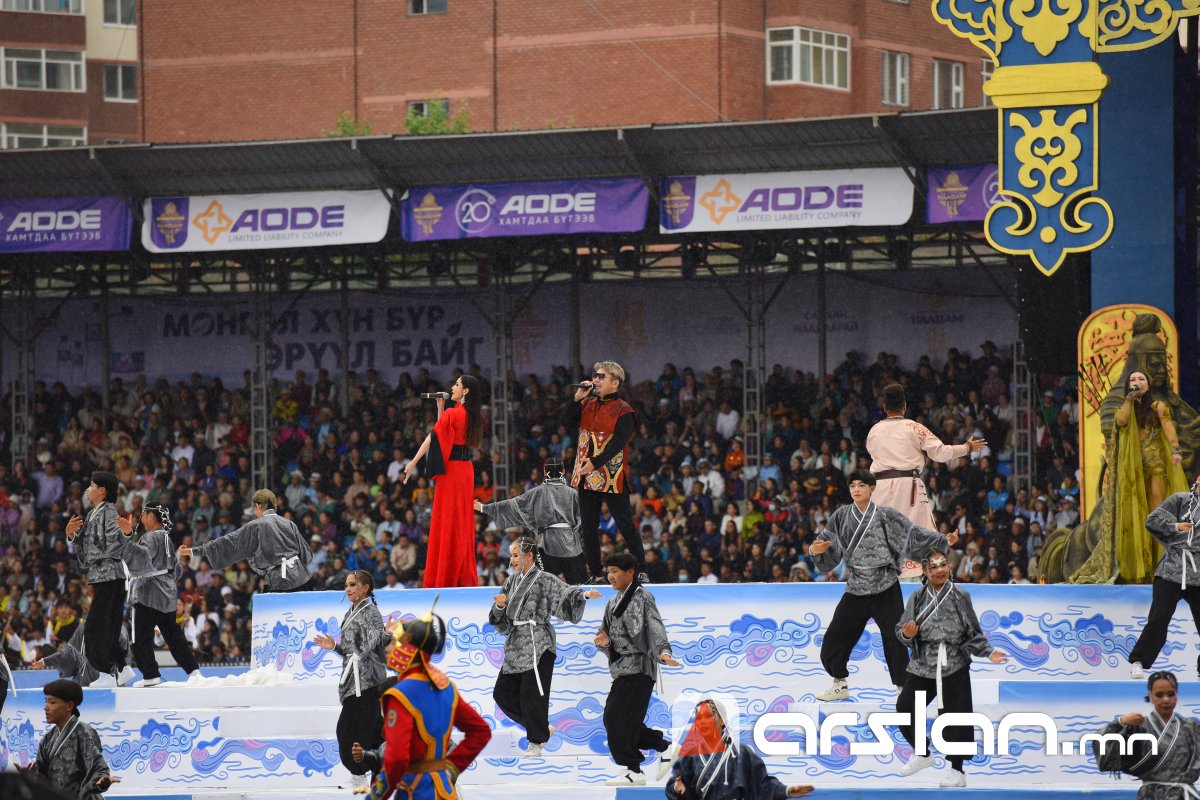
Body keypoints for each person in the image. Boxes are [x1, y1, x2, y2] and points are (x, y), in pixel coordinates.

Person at [1046, 313, 1200, 583]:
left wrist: (1178, 447)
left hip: (1164, 470)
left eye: (1162, 361)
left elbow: (1173, 428)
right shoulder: (1116, 402)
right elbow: (1117, 425)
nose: (1160, 368)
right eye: (1152, 362)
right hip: (1131, 478)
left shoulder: (1166, 404)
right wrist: (1129, 399)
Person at [810, 470, 956, 700]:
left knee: (896, 639)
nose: (856, 489)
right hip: (857, 586)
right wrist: (814, 550)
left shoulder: (886, 515)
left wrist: (942, 540)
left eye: (861, 485)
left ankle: (902, 689)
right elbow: (825, 546)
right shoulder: (841, 516)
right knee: (834, 638)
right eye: (852, 486)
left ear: (872, 488)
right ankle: (839, 684)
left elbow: (913, 535)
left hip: (885, 585)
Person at [895, 551, 1007, 787]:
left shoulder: (960, 596)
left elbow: (972, 633)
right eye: (934, 567)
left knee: (957, 716)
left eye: (943, 565)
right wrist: (907, 633)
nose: (940, 570)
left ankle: (957, 770)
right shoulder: (917, 597)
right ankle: (922, 753)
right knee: (905, 706)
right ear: (926, 572)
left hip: (954, 660)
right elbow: (901, 630)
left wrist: (988, 652)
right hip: (924, 662)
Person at [489, 537, 603, 756]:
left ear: (529, 556)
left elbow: (565, 592)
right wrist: (500, 606)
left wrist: (583, 595)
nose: (512, 560)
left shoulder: (545, 579)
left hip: (538, 642)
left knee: (532, 696)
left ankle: (536, 741)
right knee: (502, 694)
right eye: (512, 555)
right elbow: (499, 619)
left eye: (516, 555)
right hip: (515, 644)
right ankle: (540, 727)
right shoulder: (510, 582)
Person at [365, 610, 491, 800]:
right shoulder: (447, 687)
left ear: (409, 649)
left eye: (394, 642)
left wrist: (374, 797)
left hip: (415, 792)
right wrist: (451, 768)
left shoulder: (400, 694)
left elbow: (397, 758)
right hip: (444, 790)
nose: (388, 649)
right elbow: (481, 731)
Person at [866, 384, 984, 578]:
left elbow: (873, 453)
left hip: (879, 487)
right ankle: (932, 582)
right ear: (904, 406)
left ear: (884, 407)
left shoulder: (874, 431)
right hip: (907, 484)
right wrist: (967, 448)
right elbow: (941, 453)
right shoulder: (914, 427)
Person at [594, 551, 682, 786]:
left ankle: (634, 769)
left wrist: (664, 651)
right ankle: (662, 747)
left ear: (630, 573)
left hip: (640, 667)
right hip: (622, 668)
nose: (610, 576)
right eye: (608, 572)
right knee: (619, 720)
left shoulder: (643, 597)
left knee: (615, 718)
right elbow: (605, 634)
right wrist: (604, 643)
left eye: (615, 571)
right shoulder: (612, 602)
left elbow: (655, 626)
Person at [564, 361, 645, 583]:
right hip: (586, 473)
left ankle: (641, 570)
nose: (596, 380)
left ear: (615, 383)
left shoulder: (624, 410)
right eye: (595, 376)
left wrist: (595, 462)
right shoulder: (587, 403)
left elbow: (618, 444)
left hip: (612, 475)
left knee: (625, 525)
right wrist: (576, 399)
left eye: (601, 376)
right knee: (588, 527)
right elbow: (565, 423)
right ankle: (596, 573)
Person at [313, 570, 390, 791]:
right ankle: (392, 764)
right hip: (354, 679)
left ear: (365, 588)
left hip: (367, 681)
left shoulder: (371, 611)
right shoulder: (350, 612)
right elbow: (351, 650)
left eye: (353, 585)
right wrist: (334, 647)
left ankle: (358, 775)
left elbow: (376, 640)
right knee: (375, 732)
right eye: (346, 585)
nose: (348, 589)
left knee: (346, 730)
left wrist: (386, 635)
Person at [403, 375, 482, 588]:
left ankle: (444, 575)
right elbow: (444, 434)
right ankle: (459, 574)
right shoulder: (470, 414)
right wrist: (440, 408)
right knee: (460, 521)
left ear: (466, 391)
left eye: (457, 385)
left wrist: (413, 462)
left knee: (447, 520)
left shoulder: (453, 413)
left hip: (452, 472)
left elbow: (433, 437)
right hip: (465, 470)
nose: (452, 387)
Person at [114, 504, 201, 687]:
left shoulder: (150, 537)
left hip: (148, 592)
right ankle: (194, 670)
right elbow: (177, 571)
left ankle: (150, 674)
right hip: (168, 592)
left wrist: (127, 535)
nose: (141, 519)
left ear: (151, 516)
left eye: (143, 515)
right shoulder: (167, 538)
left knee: (141, 638)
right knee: (173, 635)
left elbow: (138, 562)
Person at [665, 698, 813, 800]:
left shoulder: (741, 752)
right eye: (699, 718)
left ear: (722, 720)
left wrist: (787, 791)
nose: (703, 722)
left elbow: (762, 784)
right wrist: (676, 788)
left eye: (708, 716)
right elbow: (674, 784)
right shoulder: (689, 757)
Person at [1128, 477, 1200, 679]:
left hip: (1198, 573)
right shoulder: (1180, 499)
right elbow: (1152, 521)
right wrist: (1176, 526)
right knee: (1159, 618)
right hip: (1171, 570)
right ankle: (1139, 661)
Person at [65, 471, 130, 688]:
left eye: (92, 485)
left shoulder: (108, 512)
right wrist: (73, 536)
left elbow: (115, 542)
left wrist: (126, 534)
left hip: (110, 576)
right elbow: (87, 553)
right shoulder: (95, 513)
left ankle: (105, 673)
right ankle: (123, 666)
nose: (88, 489)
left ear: (102, 490)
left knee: (94, 627)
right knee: (108, 626)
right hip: (106, 577)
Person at [476, 458, 585, 584]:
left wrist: (483, 507)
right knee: (578, 586)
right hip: (570, 543)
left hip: (548, 543)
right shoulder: (573, 493)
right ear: (563, 471)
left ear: (545, 471)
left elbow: (512, 505)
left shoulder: (537, 492)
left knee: (547, 586)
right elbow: (583, 518)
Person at [180, 489, 313, 592]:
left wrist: (192, 551)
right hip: (302, 578)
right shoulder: (290, 524)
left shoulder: (255, 525)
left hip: (280, 581)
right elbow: (307, 555)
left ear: (258, 506)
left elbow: (225, 542)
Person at [1097, 671, 1200, 799]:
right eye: (1159, 695)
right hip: (1150, 795)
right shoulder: (1138, 727)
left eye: (1171, 694)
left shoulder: (1191, 727)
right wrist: (1120, 722)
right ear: (1150, 696)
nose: (1166, 699)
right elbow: (1102, 745)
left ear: (1177, 695)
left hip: (1183, 796)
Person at [22, 678, 118, 796]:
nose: (46, 707)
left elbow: (98, 766)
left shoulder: (84, 733)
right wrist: (30, 778)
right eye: (46, 702)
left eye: (52, 702)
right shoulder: (48, 738)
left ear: (69, 706)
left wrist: (102, 781)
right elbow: (42, 776)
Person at [32, 619, 132, 686]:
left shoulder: (119, 629)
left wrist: (46, 661)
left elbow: (68, 655)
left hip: (99, 681)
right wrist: (45, 661)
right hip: (99, 681)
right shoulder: (86, 626)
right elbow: (69, 654)